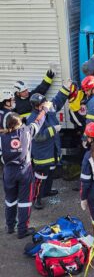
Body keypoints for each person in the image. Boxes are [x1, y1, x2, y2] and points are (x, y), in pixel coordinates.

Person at [0, 101, 52, 238]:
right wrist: (45, 109)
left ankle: (10, 226)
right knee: (25, 201)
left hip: (9, 172)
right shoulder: (27, 131)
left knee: (10, 200)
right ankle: (22, 230)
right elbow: (38, 121)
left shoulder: (2, 137)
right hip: (24, 171)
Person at [26, 82, 71, 209]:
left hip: (52, 151)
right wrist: (53, 130)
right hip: (42, 155)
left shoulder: (47, 109)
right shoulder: (33, 119)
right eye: (43, 103)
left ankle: (46, 191)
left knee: (50, 172)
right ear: (37, 106)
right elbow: (38, 136)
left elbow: (57, 100)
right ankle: (37, 199)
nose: (46, 104)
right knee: (40, 177)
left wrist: (65, 88)